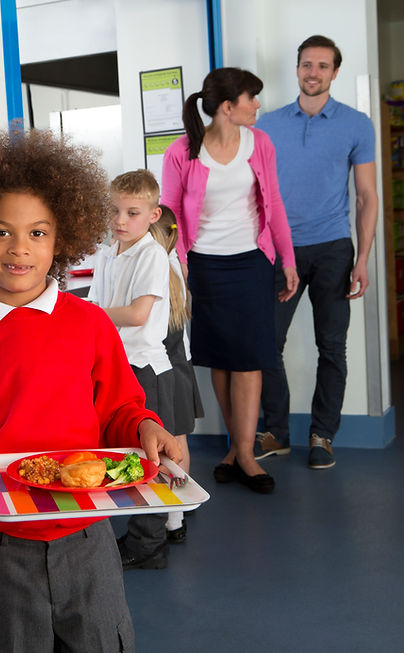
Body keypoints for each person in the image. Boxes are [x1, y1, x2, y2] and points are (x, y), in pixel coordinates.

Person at [0, 128, 181, 652]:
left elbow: (120, 409)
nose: (19, 249)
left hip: (87, 532)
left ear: (62, 238)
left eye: (38, 233)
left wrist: (147, 426)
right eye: (0, 232)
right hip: (0, 538)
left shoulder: (89, 325)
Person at [161, 67, 298, 494]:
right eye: (251, 98)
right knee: (221, 356)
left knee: (250, 356)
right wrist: (176, 262)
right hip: (203, 266)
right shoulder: (182, 151)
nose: (257, 105)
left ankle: (244, 454)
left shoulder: (261, 144)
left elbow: (272, 200)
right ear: (227, 107)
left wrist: (287, 260)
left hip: (252, 262)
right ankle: (235, 447)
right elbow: (168, 212)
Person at [255, 35, 378, 470]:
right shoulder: (266, 125)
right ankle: (276, 433)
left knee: (332, 347)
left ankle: (322, 435)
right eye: (307, 65)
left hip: (332, 249)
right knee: (266, 343)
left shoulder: (357, 123)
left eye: (322, 66)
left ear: (335, 73)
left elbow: (366, 196)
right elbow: (254, 193)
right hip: (278, 250)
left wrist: (362, 258)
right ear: (297, 69)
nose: (313, 73)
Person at [89, 169, 175, 571]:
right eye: (115, 211)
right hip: (114, 363)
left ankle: (150, 543)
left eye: (133, 213)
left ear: (154, 215)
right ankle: (140, 533)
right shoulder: (109, 251)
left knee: (150, 458)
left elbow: (139, 314)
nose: (121, 220)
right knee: (122, 454)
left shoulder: (152, 255)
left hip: (142, 367)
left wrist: (92, 318)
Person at [152, 204, 203, 542]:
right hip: (180, 370)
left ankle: (173, 518)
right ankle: (177, 514)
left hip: (164, 371)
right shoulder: (175, 268)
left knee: (165, 447)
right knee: (178, 442)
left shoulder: (158, 272)